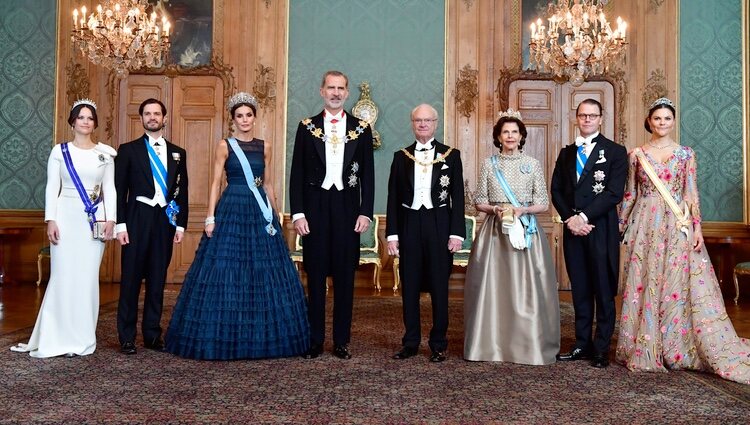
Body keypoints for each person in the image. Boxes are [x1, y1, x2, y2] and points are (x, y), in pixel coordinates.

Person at [165, 92, 309, 360]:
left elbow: (266, 184)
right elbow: (215, 183)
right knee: (227, 265)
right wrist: (210, 217)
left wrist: (275, 213)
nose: (244, 120)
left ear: (255, 117)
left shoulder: (264, 146)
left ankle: (263, 334)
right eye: (239, 116)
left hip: (259, 211)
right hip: (232, 206)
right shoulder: (225, 146)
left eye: (249, 115)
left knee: (263, 267)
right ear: (233, 119)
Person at [616, 98, 750, 384]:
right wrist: (620, 227)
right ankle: (647, 345)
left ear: (674, 122)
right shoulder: (636, 155)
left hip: (677, 224)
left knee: (676, 283)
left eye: (667, 119)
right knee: (647, 280)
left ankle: (676, 347)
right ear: (649, 121)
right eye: (657, 119)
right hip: (645, 223)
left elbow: (691, 194)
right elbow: (630, 195)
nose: (662, 123)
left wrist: (697, 229)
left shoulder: (686, 154)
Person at [11, 99, 117, 358]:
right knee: (63, 276)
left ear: (95, 123)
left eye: (90, 118)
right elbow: (51, 187)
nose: (85, 121)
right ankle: (56, 336)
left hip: (93, 221)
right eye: (80, 117)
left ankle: (81, 338)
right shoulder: (60, 152)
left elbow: (110, 189)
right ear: (72, 122)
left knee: (86, 278)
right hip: (65, 217)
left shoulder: (105, 154)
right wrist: (51, 220)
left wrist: (111, 220)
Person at [289, 70, 375, 360]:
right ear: (321, 91)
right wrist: (298, 213)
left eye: (341, 88)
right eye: (331, 88)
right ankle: (315, 340)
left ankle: (341, 341)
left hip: (347, 208)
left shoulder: (362, 128)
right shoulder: (306, 127)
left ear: (347, 93)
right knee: (314, 276)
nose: (336, 93)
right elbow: (297, 173)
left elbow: (369, 176)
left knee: (344, 277)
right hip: (314, 208)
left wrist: (366, 212)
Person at [463, 109, 560, 365]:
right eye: (505, 132)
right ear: (498, 136)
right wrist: (496, 209)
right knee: (494, 288)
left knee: (526, 288)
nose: (509, 136)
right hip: (494, 232)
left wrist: (522, 210)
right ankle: (490, 343)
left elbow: (543, 202)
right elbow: (479, 201)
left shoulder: (533, 164)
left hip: (526, 229)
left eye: (514, 132)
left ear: (521, 136)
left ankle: (527, 343)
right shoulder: (488, 164)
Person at [550, 98, 627, 368]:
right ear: (577, 118)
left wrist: (583, 216)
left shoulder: (616, 152)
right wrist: (570, 218)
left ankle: (601, 348)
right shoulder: (566, 153)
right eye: (582, 115)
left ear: (600, 118)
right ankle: (581, 343)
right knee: (580, 289)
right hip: (573, 230)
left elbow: (614, 193)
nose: (587, 120)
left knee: (603, 289)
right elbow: (556, 190)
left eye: (592, 116)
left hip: (600, 229)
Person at [386, 103, 465, 363]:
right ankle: (410, 343)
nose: (422, 124)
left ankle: (438, 343)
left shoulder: (451, 156)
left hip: (439, 223)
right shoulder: (401, 157)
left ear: (436, 123)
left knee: (439, 286)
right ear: (412, 124)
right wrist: (392, 235)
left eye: (427, 120)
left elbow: (458, 198)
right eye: (418, 120)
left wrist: (456, 233)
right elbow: (393, 198)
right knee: (409, 286)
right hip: (409, 222)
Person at [115, 98, 189, 355]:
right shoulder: (128, 150)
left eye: (157, 113)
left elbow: (182, 192)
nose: (152, 117)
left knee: (157, 280)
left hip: (164, 221)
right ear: (142, 118)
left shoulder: (178, 152)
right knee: (131, 280)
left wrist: (180, 225)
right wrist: (120, 225)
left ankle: (152, 334)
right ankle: (126, 337)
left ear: (165, 118)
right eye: (147, 113)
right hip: (136, 218)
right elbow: (118, 191)